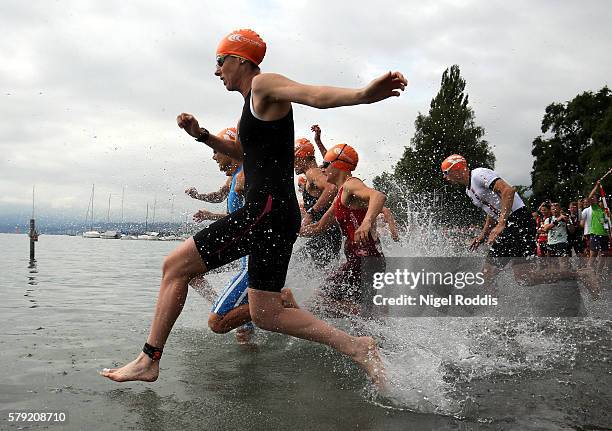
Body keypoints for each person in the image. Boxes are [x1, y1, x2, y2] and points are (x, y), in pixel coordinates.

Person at [101, 28, 407, 385]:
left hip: (265, 211)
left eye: (220, 62)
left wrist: (365, 94)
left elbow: (315, 95)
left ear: (240, 60)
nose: (217, 71)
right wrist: (202, 136)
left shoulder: (264, 85)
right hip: (278, 215)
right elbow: (243, 155)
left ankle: (148, 359)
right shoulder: (252, 105)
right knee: (265, 313)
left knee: (174, 267)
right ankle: (358, 347)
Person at [184, 127, 255, 343]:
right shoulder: (233, 177)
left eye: (216, 150)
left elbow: (254, 214)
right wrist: (202, 202)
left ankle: (242, 312)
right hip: (238, 251)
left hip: (249, 254)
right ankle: (231, 309)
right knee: (190, 274)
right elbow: (223, 203)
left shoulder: (246, 174)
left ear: (230, 148)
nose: (214, 155)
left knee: (223, 324)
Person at [301, 144, 386, 305]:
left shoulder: (350, 185)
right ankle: (371, 318)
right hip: (361, 260)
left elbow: (378, 196)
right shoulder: (340, 196)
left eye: (325, 164)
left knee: (319, 301)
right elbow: (319, 227)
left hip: (365, 261)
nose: (322, 168)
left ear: (337, 165)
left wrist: (366, 222)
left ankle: (371, 316)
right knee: (355, 313)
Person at [294, 137, 342, 266]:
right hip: (328, 234)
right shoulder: (317, 172)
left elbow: (331, 188)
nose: (293, 164)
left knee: (297, 264)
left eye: (294, 160)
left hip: (328, 235)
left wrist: (311, 212)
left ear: (301, 157)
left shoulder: (312, 173)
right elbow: (329, 160)